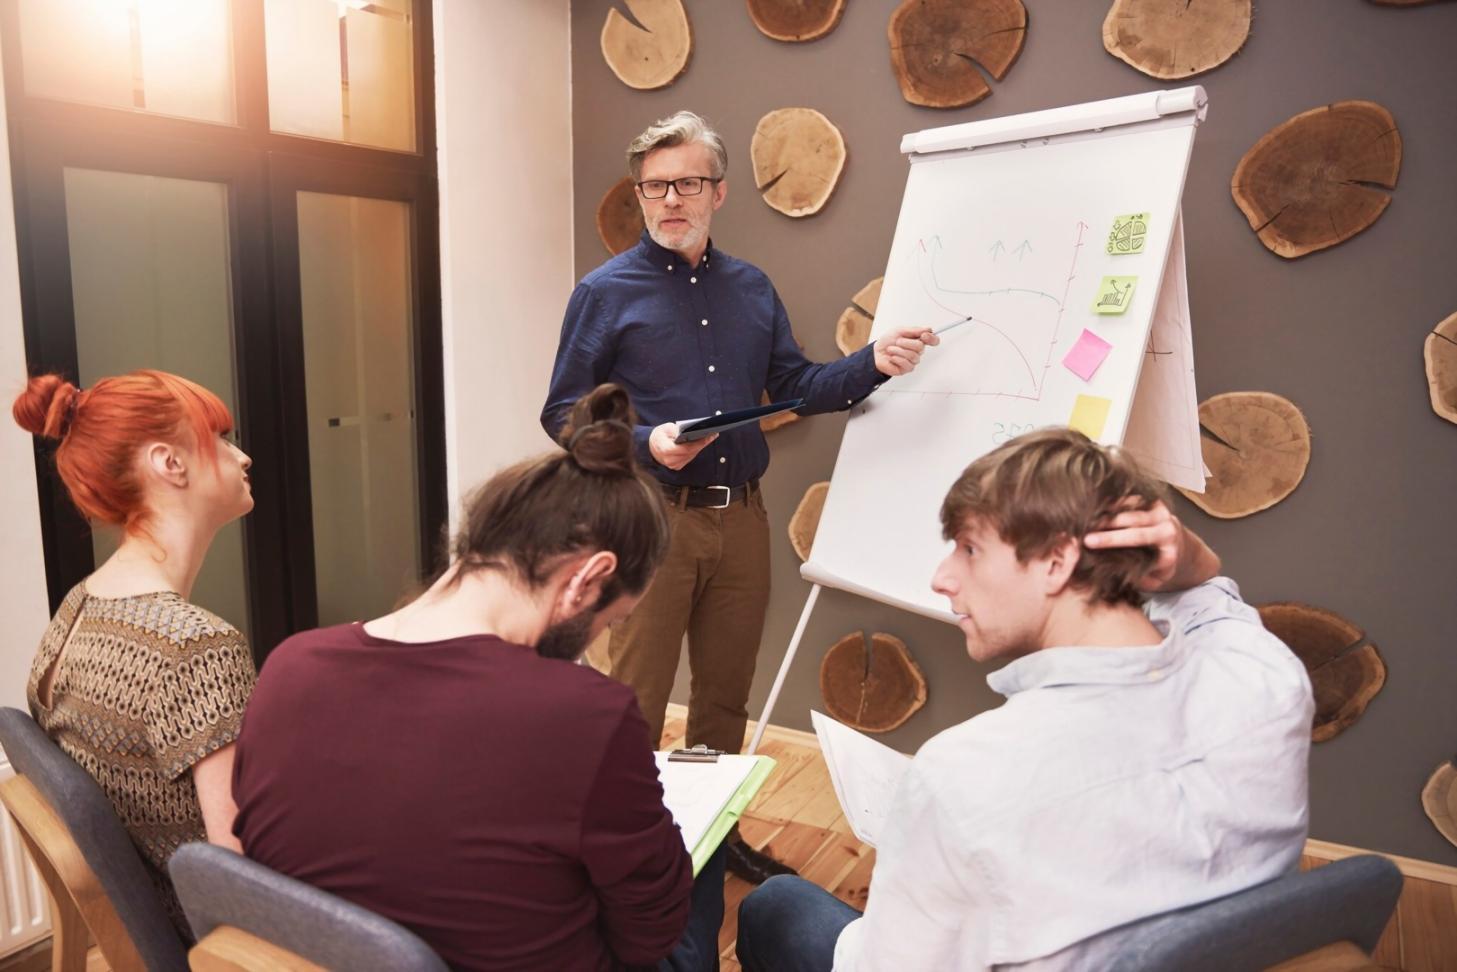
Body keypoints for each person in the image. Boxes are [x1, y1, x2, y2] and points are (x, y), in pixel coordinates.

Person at [736, 427, 1315, 971]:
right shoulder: (1267, 676)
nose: (942, 576)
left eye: (968, 549)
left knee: (774, 907)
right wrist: (1187, 554)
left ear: (1056, 562)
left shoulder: (965, 774)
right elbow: (1211, 596)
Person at [541, 109, 936, 882]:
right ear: (641, 194)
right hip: (649, 520)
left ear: (718, 192)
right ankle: (623, 857)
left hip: (742, 515)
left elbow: (797, 386)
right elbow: (563, 414)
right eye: (654, 187)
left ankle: (709, 834)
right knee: (635, 702)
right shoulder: (603, 292)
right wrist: (644, 443)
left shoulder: (750, 287)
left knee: (725, 698)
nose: (669, 200)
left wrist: (874, 363)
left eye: (686, 183)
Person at [233, 384, 724, 972]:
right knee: (707, 854)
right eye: (610, 621)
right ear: (587, 579)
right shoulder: (585, 713)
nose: (598, 640)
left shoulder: (290, 665)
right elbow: (648, 936)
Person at [12, 370, 258, 935]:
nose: (240, 456)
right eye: (221, 439)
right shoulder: (195, 649)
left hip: (155, 924)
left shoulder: (80, 606)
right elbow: (247, 884)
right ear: (169, 464)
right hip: (214, 943)